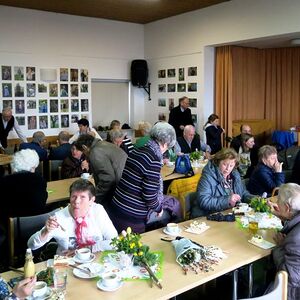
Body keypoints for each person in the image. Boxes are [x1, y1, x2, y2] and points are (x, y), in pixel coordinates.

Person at [107, 122, 182, 233]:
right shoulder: (153, 159)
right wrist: (159, 208)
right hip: (131, 216)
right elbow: (149, 195)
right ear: (165, 143)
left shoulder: (138, 150)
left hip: (117, 207)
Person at [28, 179, 117, 254]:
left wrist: (85, 250)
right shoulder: (59, 217)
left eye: (82, 197)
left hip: (96, 262)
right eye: (74, 196)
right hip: (67, 265)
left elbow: (114, 242)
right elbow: (31, 246)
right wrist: (45, 231)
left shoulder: (98, 211)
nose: (77, 201)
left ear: (92, 200)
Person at [190, 148, 253, 218]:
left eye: (231, 165)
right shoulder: (207, 177)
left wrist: (255, 199)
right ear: (218, 162)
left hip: (227, 214)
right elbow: (204, 201)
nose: (228, 169)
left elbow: (243, 193)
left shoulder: (235, 174)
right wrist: (227, 200)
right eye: (225, 164)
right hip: (206, 217)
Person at [267, 183, 300, 300]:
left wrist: (280, 247)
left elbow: (288, 277)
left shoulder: (295, 240)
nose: (276, 202)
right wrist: (285, 217)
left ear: (287, 207)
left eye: (278, 200)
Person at [75, 134, 127, 206]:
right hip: (126, 186)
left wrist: (94, 197)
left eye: (83, 152)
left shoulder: (95, 152)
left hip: (120, 191)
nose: (85, 155)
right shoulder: (104, 144)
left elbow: (108, 179)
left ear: (85, 147)